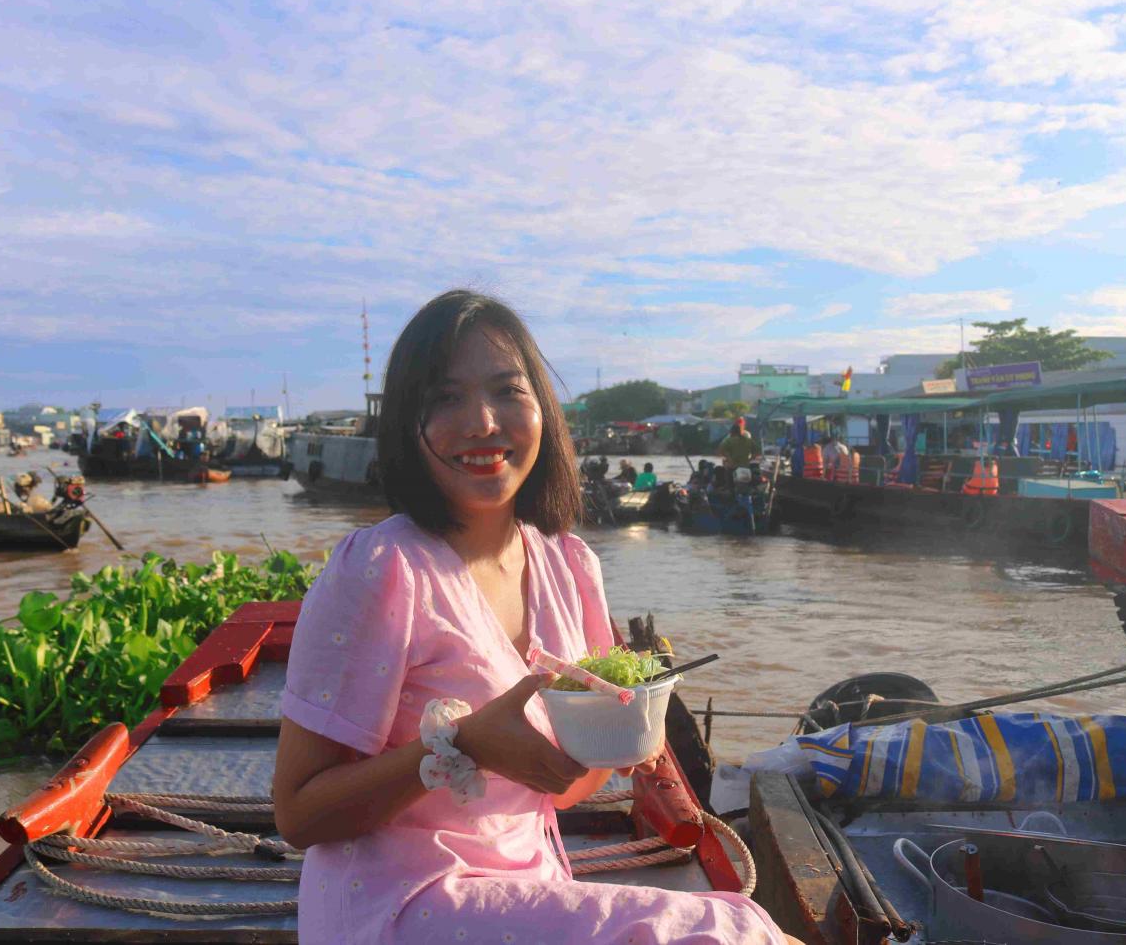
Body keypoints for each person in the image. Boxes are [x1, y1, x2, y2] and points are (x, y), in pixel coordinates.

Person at [273, 290, 793, 945]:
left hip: (529, 886)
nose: (482, 422)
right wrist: (462, 744)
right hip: (398, 905)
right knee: (721, 929)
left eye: (506, 390)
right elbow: (299, 812)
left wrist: (628, 733)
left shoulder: (568, 566)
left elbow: (559, 788)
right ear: (408, 424)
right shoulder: (383, 569)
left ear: (542, 408)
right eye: (445, 397)